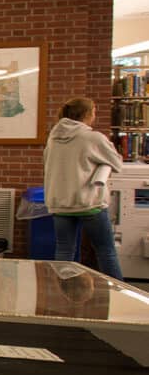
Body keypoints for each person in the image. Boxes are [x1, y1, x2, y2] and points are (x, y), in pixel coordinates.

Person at [44, 96, 125, 277]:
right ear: (87, 114)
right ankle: (117, 296)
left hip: (60, 203)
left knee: (65, 252)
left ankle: (64, 295)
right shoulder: (92, 137)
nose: (95, 116)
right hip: (89, 203)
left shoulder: (53, 138)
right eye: (94, 112)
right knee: (105, 251)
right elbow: (117, 163)